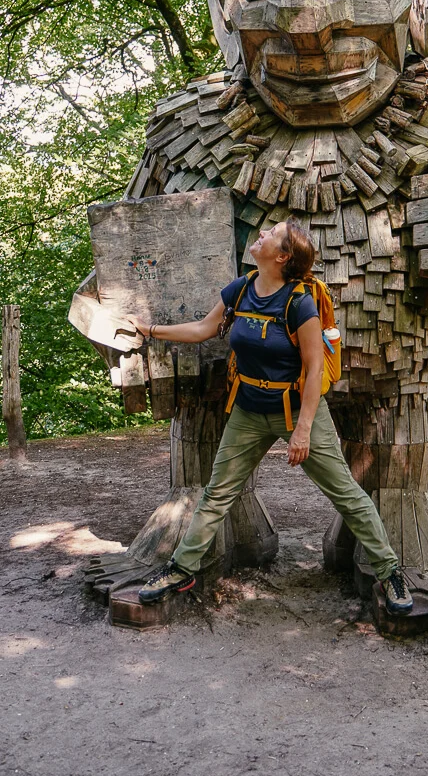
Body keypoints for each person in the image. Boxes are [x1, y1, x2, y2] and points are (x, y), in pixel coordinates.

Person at [128, 219, 413, 615]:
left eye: (269, 235)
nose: (259, 235)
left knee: (346, 493)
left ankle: (390, 571)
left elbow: (315, 369)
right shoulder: (241, 288)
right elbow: (204, 328)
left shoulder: (300, 302)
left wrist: (303, 430)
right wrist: (151, 329)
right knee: (216, 494)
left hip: (298, 410)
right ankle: (182, 569)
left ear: (282, 256)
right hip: (247, 409)